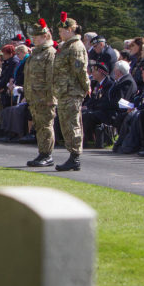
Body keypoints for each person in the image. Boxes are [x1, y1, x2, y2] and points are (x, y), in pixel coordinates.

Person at [53, 12, 90, 171]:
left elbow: (80, 69)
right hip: (63, 90)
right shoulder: (65, 46)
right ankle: (72, 155)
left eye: (62, 31)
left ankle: (75, 157)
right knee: (65, 124)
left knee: (72, 123)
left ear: (70, 30)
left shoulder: (75, 46)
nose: (60, 34)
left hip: (72, 90)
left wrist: (86, 86)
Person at [24, 19, 57, 167]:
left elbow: (52, 77)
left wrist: (51, 97)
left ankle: (47, 154)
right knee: (39, 126)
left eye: (37, 36)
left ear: (46, 36)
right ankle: (42, 152)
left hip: (44, 97)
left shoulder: (50, 53)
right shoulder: (35, 53)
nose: (34, 38)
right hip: (34, 96)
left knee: (46, 126)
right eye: (34, 36)